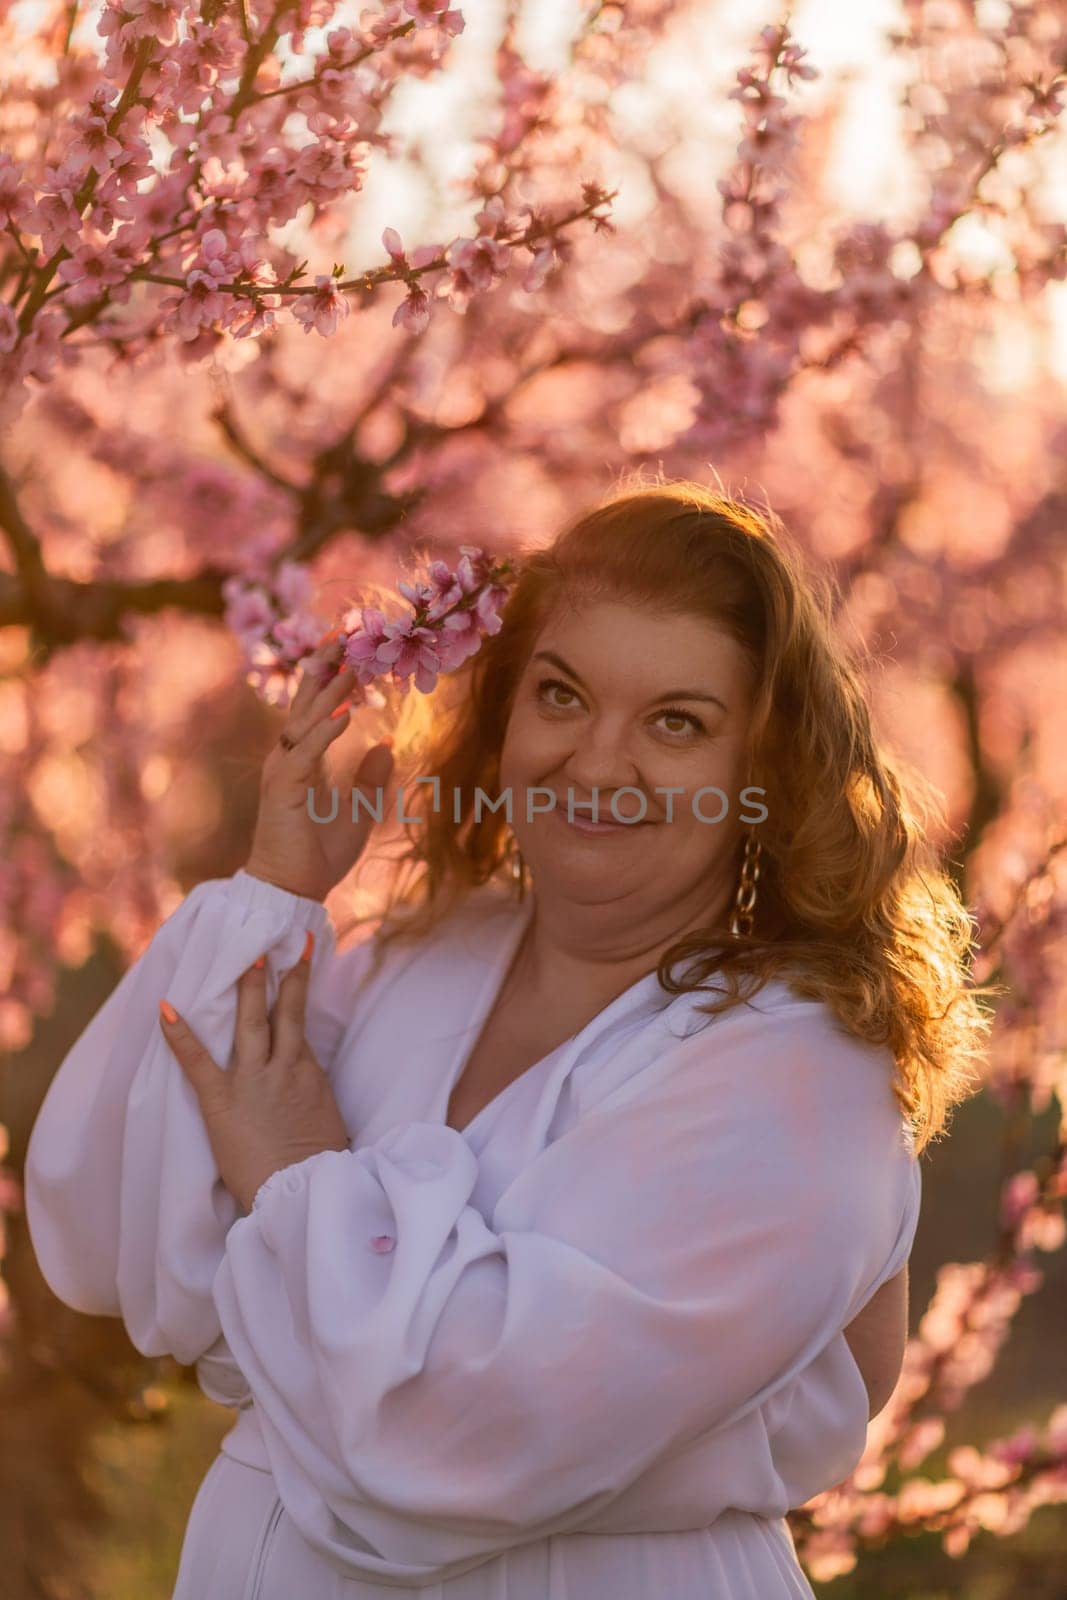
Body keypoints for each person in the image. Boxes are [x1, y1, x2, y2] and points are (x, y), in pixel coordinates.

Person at [24, 480, 991, 1599]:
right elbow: (120, 1241)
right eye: (561, 695)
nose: (595, 762)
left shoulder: (799, 1070)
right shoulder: (407, 960)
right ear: (503, 715)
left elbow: (469, 1428)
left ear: (758, 777)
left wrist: (294, 1183)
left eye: (676, 722)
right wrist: (275, 890)